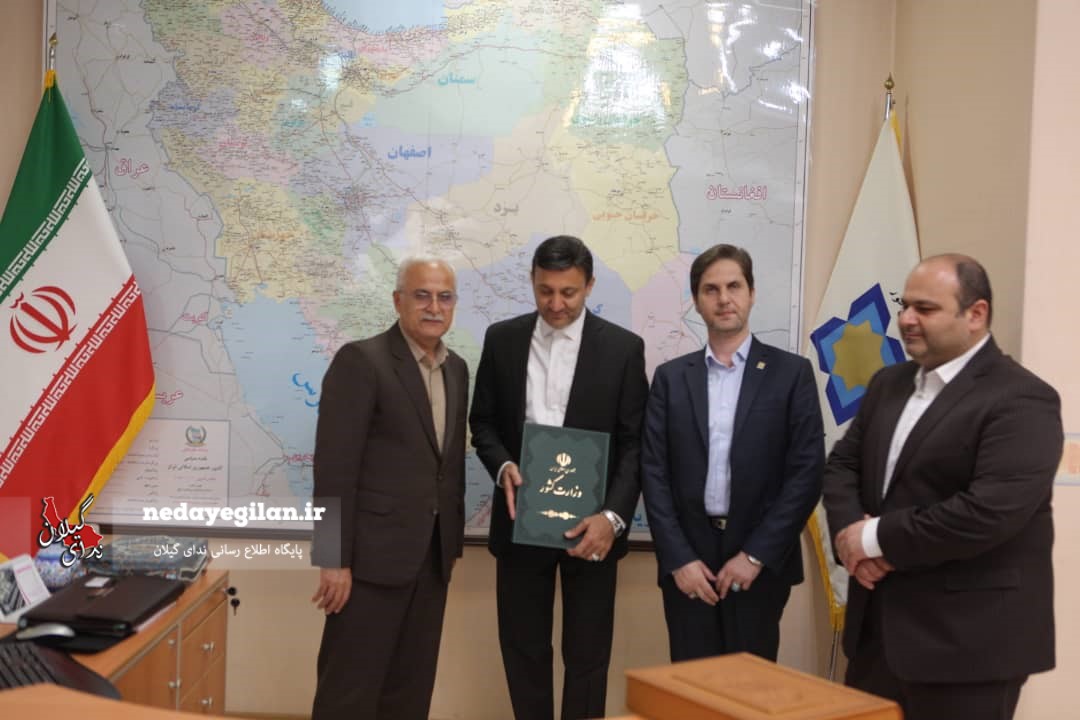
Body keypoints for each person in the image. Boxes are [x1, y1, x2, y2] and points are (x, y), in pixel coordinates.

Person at [822, 254, 1063, 720]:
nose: (906, 319)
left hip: (967, 649)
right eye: (905, 306)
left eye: (925, 309)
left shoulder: (1022, 398)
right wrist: (851, 538)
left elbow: (988, 512)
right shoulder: (888, 383)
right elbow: (842, 465)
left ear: (976, 314)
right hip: (877, 639)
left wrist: (871, 539)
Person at [469, 235, 648, 720]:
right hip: (520, 525)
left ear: (589, 285)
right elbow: (482, 423)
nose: (555, 304)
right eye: (545, 291)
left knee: (588, 656)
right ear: (532, 281)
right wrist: (503, 465)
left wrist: (612, 518)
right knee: (523, 649)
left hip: (593, 530)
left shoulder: (623, 349)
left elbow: (635, 443)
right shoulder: (502, 339)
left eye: (568, 292)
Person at [641, 243, 824, 662]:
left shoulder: (791, 374)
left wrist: (755, 556)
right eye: (711, 289)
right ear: (696, 301)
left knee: (748, 687)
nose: (724, 298)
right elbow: (653, 472)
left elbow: (807, 473)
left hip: (758, 561)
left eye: (734, 286)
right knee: (691, 686)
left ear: (752, 293)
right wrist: (679, 559)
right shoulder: (670, 378)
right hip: (689, 562)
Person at [308, 256, 469, 720]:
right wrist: (333, 559)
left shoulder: (457, 369)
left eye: (444, 297)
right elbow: (333, 468)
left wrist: (450, 545)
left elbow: (447, 466)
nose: (434, 307)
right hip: (368, 565)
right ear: (398, 301)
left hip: (431, 561)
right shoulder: (362, 361)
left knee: (410, 692)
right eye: (422, 295)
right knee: (348, 694)